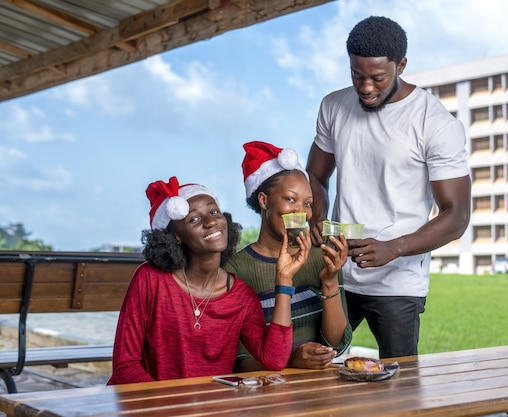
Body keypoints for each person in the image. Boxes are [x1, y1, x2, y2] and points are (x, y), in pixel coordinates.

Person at [306, 16, 471, 358]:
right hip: (336, 272)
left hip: (398, 282)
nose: (366, 87)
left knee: (400, 392)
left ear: (401, 66)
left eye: (378, 78)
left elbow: (457, 216)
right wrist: (318, 216)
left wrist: (393, 248)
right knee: (312, 371)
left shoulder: (434, 122)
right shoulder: (333, 106)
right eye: (357, 75)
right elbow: (316, 176)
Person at [108, 176, 310, 384]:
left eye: (214, 212)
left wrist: (284, 279)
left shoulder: (242, 297)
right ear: (176, 236)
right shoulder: (150, 280)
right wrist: (169, 406)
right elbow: (125, 365)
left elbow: (274, 360)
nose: (211, 221)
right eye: (194, 219)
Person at [225, 141, 352, 370]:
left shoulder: (320, 256)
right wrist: (292, 361)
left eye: (308, 203)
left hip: (320, 385)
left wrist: (330, 279)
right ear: (264, 201)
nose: (301, 212)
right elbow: (239, 362)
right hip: (269, 391)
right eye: (290, 199)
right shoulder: (236, 270)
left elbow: (335, 343)